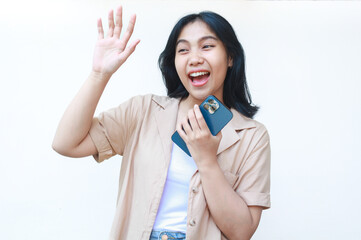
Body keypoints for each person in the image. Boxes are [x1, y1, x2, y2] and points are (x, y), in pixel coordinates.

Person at [52, 5, 270, 240]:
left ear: (230, 57)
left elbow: (242, 232)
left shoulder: (252, 136)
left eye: (207, 46)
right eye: (183, 50)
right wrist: (99, 74)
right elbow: (66, 143)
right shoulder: (143, 111)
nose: (195, 58)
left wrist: (207, 160)